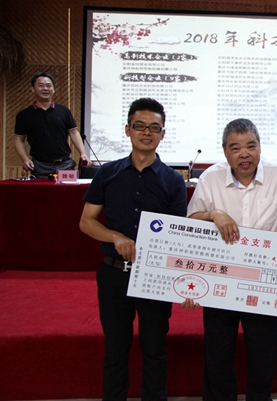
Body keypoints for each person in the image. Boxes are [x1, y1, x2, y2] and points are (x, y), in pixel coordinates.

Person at [182, 118, 277, 401]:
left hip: (263, 280)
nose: (245, 154)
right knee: (217, 355)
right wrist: (213, 214)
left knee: (262, 356)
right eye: (236, 148)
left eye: (251, 146)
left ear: (260, 146)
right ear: (224, 150)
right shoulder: (210, 178)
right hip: (220, 277)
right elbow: (191, 220)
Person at [79, 98, 187, 401]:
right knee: (115, 349)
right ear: (128, 130)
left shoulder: (173, 181)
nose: (146, 133)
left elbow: (178, 234)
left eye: (154, 128)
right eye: (140, 126)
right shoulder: (108, 173)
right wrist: (115, 237)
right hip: (114, 274)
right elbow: (87, 222)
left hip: (154, 276)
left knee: (155, 349)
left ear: (163, 134)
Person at [14, 72, 89, 177]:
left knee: (69, 188)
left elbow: (73, 132)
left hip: (65, 164)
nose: (45, 88)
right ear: (32, 89)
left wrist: (83, 153)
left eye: (48, 85)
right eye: (41, 85)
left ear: (53, 89)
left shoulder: (63, 111)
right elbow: (19, 139)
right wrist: (25, 159)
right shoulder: (24, 115)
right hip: (40, 166)